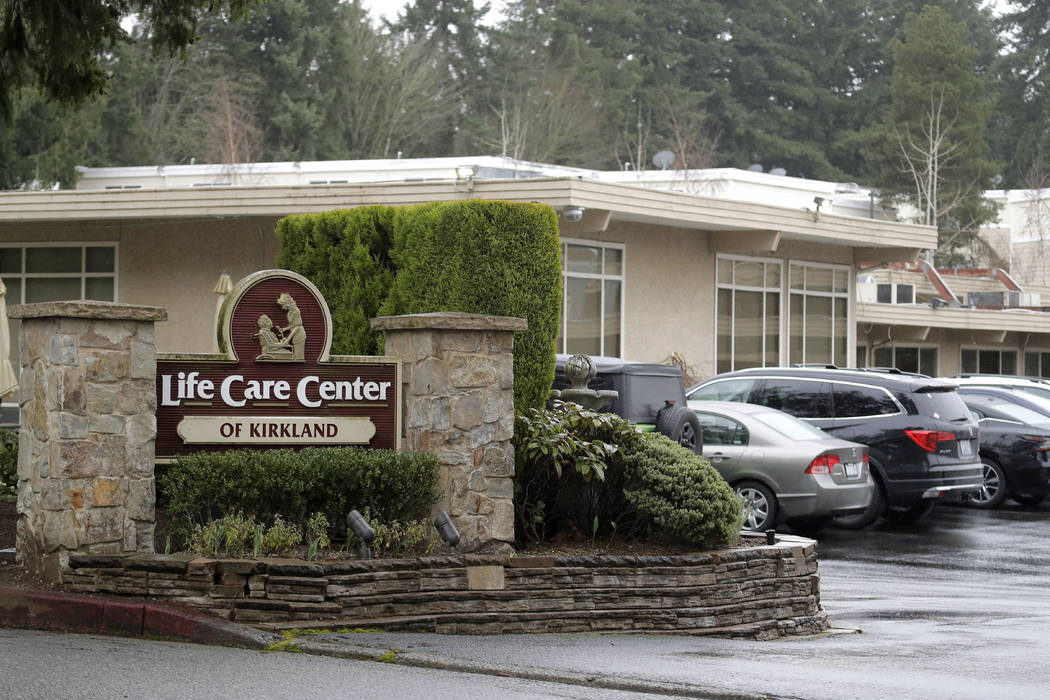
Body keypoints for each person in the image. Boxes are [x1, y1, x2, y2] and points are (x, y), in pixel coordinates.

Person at [277, 292, 307, 360]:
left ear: (287, 303)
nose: (282, 307)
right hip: (295, 335)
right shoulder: (289, 313)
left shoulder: (296, 311)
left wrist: (288, 339)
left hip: (299, 335)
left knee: (299, 358)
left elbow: (298, 326)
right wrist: (284, 329)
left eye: (282, 304)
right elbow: (293, 325)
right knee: (295, 357)